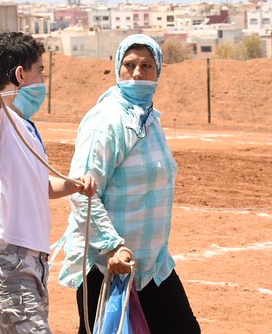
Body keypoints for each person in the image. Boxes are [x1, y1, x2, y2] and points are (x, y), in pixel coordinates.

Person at [0, 0, 96, 334]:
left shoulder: (26, 128)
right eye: (40, 71)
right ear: (21, 75)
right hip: (10, 258)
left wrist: (73, 185)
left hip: (34, 260)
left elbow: (40, 189)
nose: (44, 80)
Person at [58, 33, 200, 334]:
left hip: (151, 267)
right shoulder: (106, 121)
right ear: (117, 69)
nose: (137, 73)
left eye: (147, 66)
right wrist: (113, 248)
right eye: (130, 65)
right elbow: (82, 193)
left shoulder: (149, 119)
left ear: (158, 72)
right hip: (109, 267)